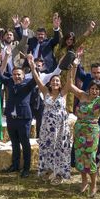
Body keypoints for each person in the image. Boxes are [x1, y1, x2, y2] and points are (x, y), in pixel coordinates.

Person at [67, 59, 100, 197]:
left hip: (92, 131)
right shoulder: (82, 96)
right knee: (79, 156)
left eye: (97, 89)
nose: (94, 91)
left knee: (90, 157)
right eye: (92, 88)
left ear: (99, 91)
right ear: (89, 88)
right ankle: (84, 182)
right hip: (79, 129)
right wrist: (71, 68)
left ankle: (94, 184)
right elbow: (70, 85)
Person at [0, 45, 38, 178]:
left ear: (23, 75)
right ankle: (15, 165)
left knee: (25, 143)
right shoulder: (10, 82)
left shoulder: (28, 84)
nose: (16, 77)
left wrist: (32, 65)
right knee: (14, 143)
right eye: (14, 74)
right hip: (11, 119)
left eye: (19, 75)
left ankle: (26, 168)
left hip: (24, 118)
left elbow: (36, 79)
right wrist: (5, 57)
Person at [27, 54, 72, 184]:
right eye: (53, 81)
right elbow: (36, 78)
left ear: (60, 83)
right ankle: (49, 171)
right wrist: (31, 65)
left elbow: (70, 82)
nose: (55, 82)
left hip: (61, 128)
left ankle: (59, 174)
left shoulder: (63, 93)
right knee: (47, 148)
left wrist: (71, 68)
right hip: (47, 127)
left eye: (57, 81)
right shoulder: (45, 91)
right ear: (50, 82)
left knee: (60, 149)